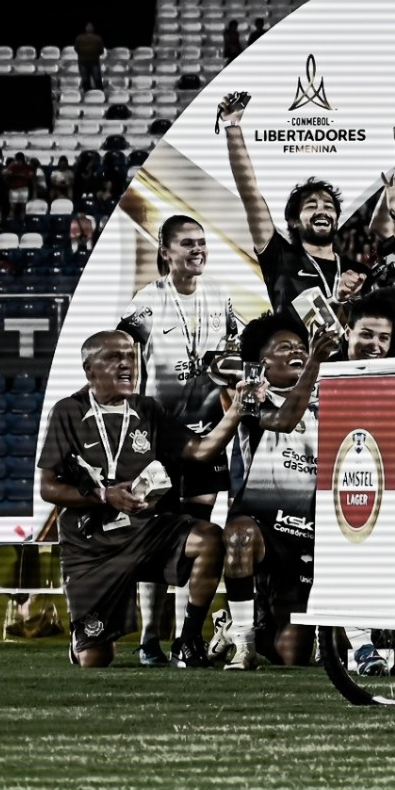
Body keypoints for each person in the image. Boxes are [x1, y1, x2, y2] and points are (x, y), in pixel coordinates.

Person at [38, 331, 246, 668]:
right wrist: (103, 495)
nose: (126, 364)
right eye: (113, 357)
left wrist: (236, 410)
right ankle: (84, 638)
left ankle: (188, 640)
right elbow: (48, 487)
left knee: (209, 538)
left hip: (144, 531)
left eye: (130, 356)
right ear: (90, 369)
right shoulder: (67, 412)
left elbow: (201, 450)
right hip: (92, 544)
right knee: (96, 660)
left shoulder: (148, 409)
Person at [117, 215, 243, 664]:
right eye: (187, 244)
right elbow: (119, 359)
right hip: (160, 442)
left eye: (202, 243)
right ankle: (149, 638)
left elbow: (241, 349)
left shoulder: (220, 296)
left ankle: (183, 640)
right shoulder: (146, 304)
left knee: (198, 536)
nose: (197, 250)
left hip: (208, 437)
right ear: (166, 251)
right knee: (157, 538)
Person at [213, 313, 339, 670]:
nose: (297, 351)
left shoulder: (333, 399)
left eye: (301, 346)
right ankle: (243, 642)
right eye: (284, 348)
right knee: (237, 535)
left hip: (312, 532)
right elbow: (284, 421)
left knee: (292, 655)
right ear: (261, 363)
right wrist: (314, 360)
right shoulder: (248, 400)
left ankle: (240, 623)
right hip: (264, 527)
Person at [218, 95, 365, 316]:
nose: (321, 210)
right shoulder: (279, 256)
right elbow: (249, 193)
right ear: (294, 221)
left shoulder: (355, 270)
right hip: (292, 349)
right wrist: (232, 127)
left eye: (328, 206)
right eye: (311, 206)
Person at [73, 22, 105, 93]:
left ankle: (100, 96)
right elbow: (76, 49)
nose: (89, 28)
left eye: (90, 26)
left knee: (97, 81)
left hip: (92, 62)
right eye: (88, 26)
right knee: (86, 81)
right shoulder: (79, 38)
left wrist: (87, 53)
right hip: (84, 63)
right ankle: (88, 97)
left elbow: (101, 51)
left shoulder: (97, 38)